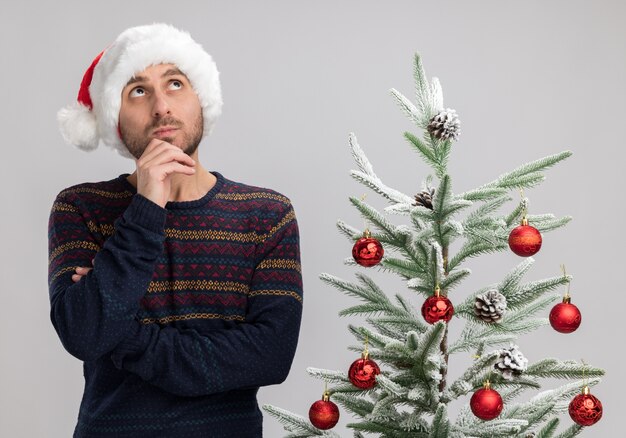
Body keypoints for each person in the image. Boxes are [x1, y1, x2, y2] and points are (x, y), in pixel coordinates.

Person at [48, 23, 303, 438]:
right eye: (138, 90)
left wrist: (125, 338)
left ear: (201, 99)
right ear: (114, 117)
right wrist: (148, 205)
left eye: (175, 83)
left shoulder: (266, 214)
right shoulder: (81, 208)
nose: (161, 106)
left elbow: (270, 357)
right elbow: (84, 333)